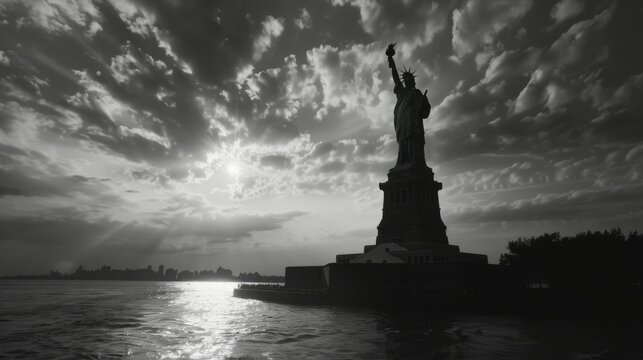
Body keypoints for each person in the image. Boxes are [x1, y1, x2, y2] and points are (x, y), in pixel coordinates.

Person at [386, 43, 431, 167]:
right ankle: (404, 163)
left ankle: (416, 163)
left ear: (413, 80)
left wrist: (424, 103)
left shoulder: (417, 93)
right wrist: (391, 60)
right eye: (405, 78)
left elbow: (424, 112)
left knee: (416, 142)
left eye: (409, 78)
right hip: (404, 122)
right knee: (405, 142)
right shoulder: (401, 91)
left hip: (415, 123)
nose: (407, 80)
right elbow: (395, 76)